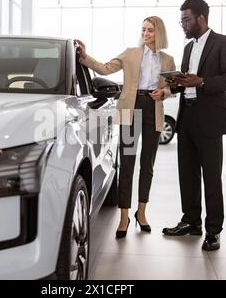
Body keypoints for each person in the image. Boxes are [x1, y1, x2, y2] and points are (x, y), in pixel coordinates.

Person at [75, 16, 176, 239]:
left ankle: (142, 213)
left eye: (150, 30)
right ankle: (124, 217)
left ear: (159, 33)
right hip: (131, 109)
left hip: (154, 109)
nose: (145, 33)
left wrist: (164, 93)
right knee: (127, 163)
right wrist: (84, 57)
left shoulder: (168, 59)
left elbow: (171, 87)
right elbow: (104, 68)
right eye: (143, 29)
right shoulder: (130, 53)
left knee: (147, 164)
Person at [162, 0, 226, 251]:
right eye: (181, 20)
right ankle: (191, 222)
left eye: (186, 19)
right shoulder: (187, 48)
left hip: (210, 118)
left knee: (212, 177)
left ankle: (214, 230)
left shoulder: (224, 43)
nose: (182, 24)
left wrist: (203, 82)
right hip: (187, 117)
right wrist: (176, 84)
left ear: (201, 18)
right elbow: (187, 82)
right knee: (187, 173)